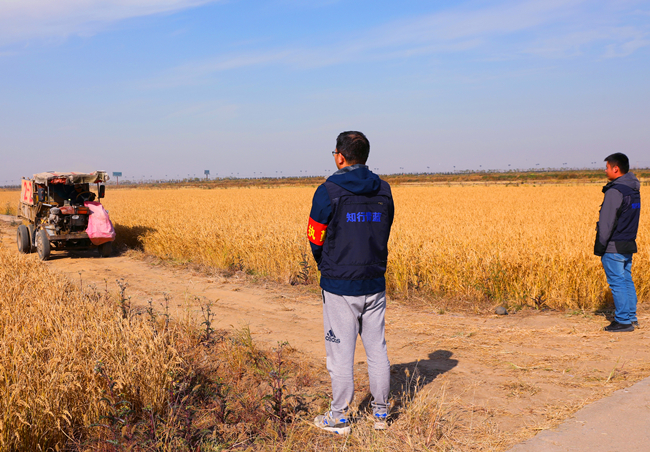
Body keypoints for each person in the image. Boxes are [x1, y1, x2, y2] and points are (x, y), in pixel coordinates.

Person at [308, 131, 394, 434]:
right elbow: (385, 228)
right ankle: (381, 414)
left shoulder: (327, 191)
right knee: (377, 349)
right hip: (374, 281)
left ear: (340, 157)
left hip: (340, 285)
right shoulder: (384, 189)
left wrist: (326, 265)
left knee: (340, 353)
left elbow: (315, 237)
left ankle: (339, 417)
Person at [594, 153, 641, 332]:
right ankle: (631, 318)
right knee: (626, 280)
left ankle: (622, 321)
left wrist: (600, 246)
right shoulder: (633, 189)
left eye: (607, 167)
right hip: (628, 242)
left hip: (613, 245)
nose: (605, 171)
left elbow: (607, 222)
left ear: (615, 168)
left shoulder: (615, 191)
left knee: (617, 283)